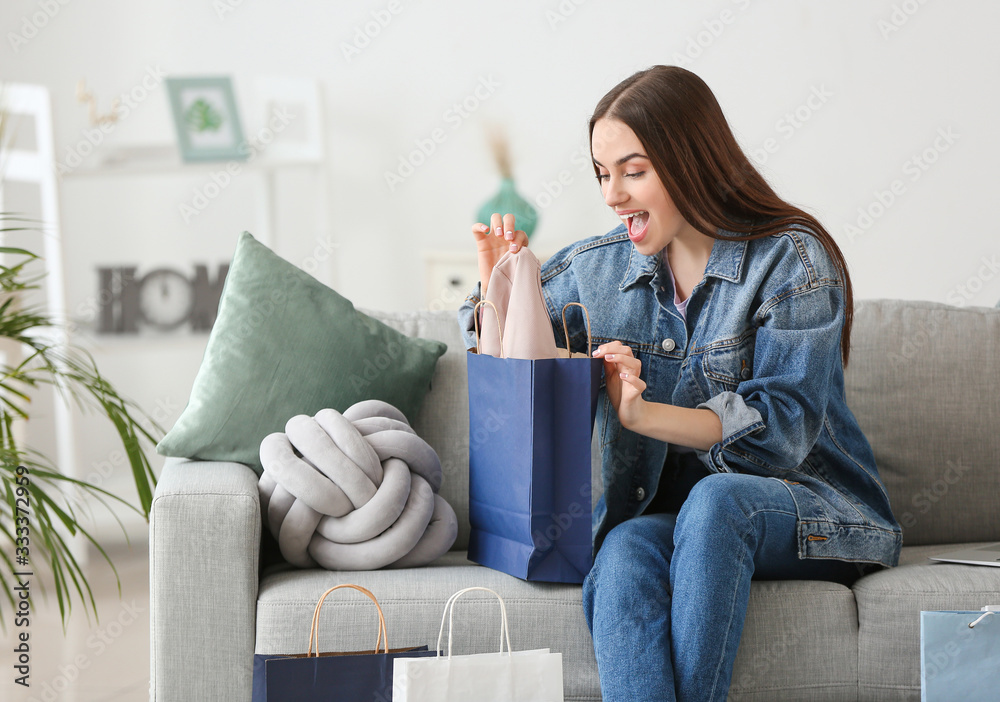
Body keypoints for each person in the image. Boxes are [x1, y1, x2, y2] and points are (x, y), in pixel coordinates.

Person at [458, 65, 901, 701]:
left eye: (632, 171)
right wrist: (496, 284)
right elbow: (501, 348)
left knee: (718, 502)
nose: (612, 195)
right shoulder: (599, 267)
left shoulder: (791, 261)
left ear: (691, 161)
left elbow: (778, 427)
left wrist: (643, 415)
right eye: (602, 174)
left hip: (815, 510)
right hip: (680, 523)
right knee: (623, 552)